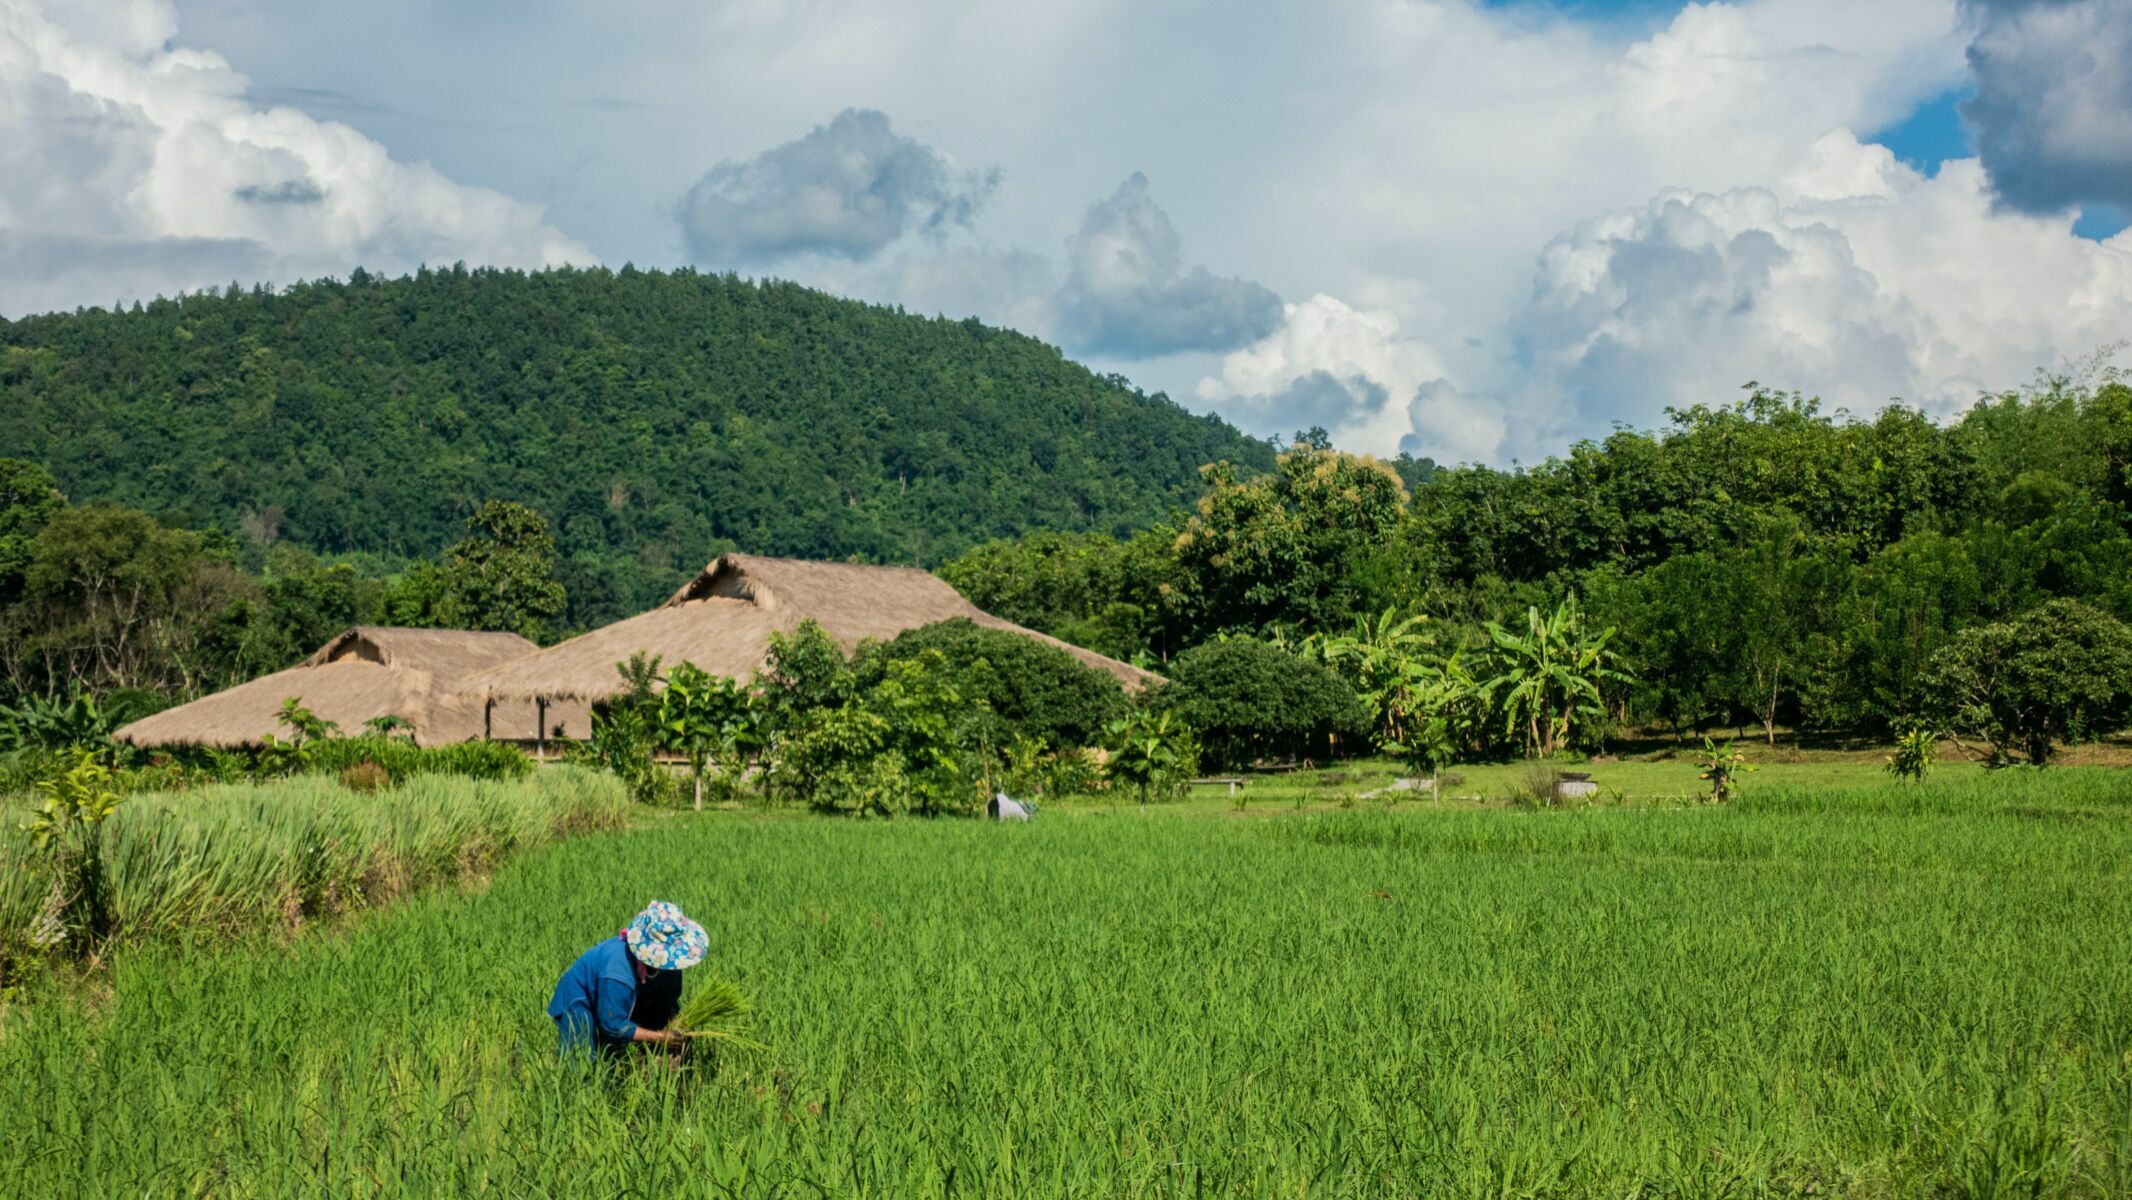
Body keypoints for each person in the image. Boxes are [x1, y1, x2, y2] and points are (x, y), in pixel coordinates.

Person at [548, 899, 707, 1059]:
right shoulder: (618, 971)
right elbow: (613, 1025)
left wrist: (678, 1027)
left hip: (620, 998)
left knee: (613, 1059)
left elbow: (668, 1002)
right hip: (579, 1000)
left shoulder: (671, 968)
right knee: (583, 1064)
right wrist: (660, 1038)